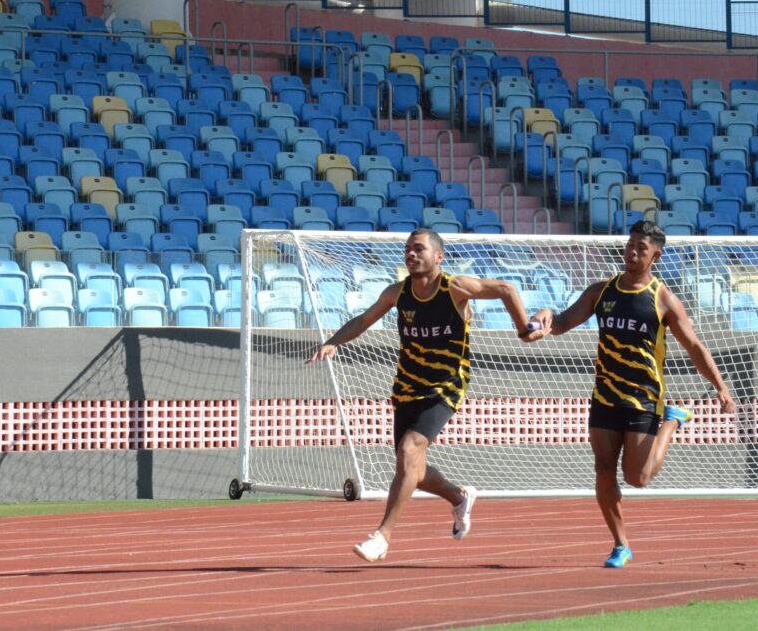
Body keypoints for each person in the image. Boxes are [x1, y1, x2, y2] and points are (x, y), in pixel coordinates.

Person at [307, 228, 537, 562]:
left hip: (445, 385)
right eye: (408, 250)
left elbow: (506, 288)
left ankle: (382, 536)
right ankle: (459, 498)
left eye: (419, 249)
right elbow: (363, 320)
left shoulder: (455, 287)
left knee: (410, 448)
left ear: (439, 257)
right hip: (407, 386)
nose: (412, 255)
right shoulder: (398, 293)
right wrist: (333, 342)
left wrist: (523, 329)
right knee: (410, 464)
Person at [524, 220, 735, 568]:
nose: (632, 251)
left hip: (644, 398)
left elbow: (694, 345)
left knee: (638, 478)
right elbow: (561, 323)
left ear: (656, 255)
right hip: (605, 395)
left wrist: (721, 387)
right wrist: (545, 317)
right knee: (603, 469)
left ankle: (671, 423)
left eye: (641, 247)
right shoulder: (601, 292)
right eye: (630, 244)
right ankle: (620, 544)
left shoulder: (663, 300)